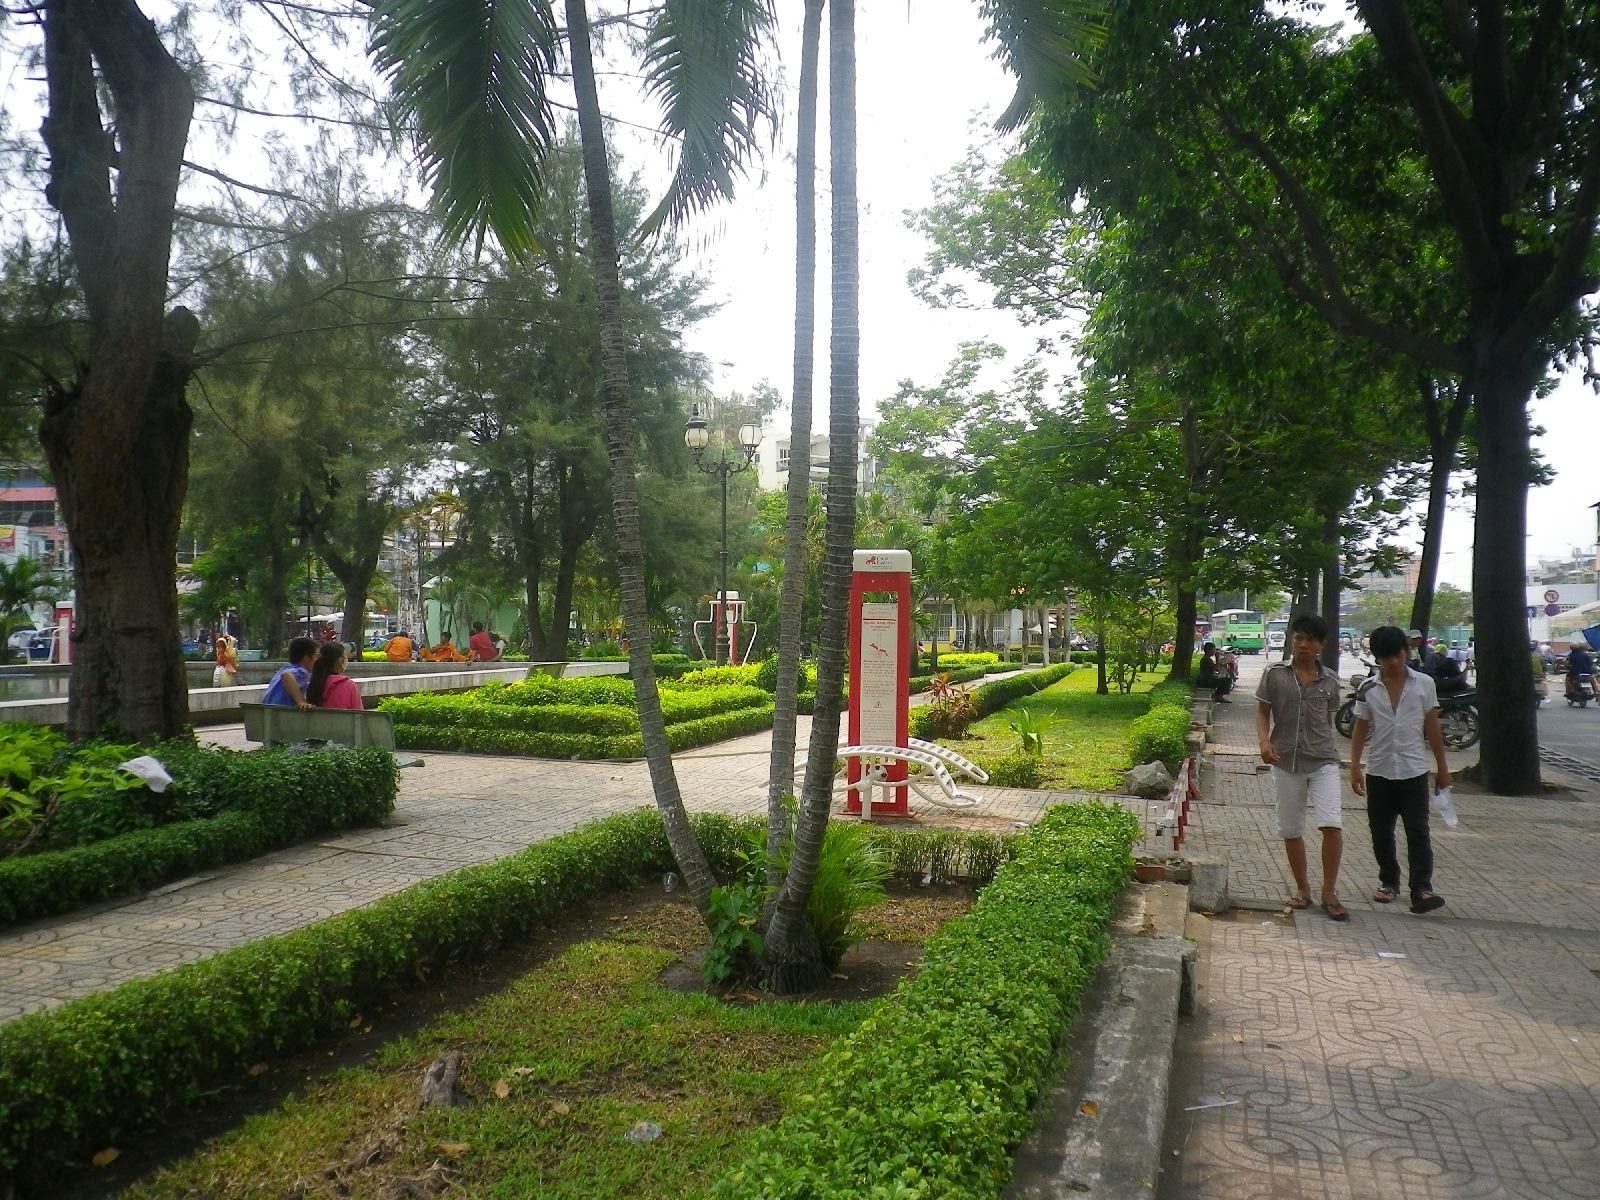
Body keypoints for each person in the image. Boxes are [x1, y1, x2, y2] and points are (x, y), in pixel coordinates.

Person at [1348, 625, 1450, 916]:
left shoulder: (1424, 684)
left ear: (1406, 652)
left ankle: (1422, 888)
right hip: (1379, 769)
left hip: (1413, 769)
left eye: (1397, 655)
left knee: (1418, 831)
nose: (1393, 662)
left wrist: (1442, 769)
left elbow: (1432, 727)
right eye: (1386, 657)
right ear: (1377, 658)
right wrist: (1354, 766)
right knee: (1381, 831)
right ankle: (1389, 882)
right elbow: (1360, 729)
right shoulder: (1368, 688)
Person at [1256, 614, 1349, 920]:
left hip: (1323, 759)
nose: (1303, 645)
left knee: (1331, 823)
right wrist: (1264, 742)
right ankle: (1302, 888)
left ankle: (1329, 892)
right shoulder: (1274, 674)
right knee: (1291, 827)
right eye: (1299, 638)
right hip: (1285, 760)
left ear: (1321, 644)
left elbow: (1328, 719)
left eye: (1310, 640)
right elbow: (1263, 711)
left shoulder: (1330, 680)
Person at [261, 637, 317, 711]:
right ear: (306, 658)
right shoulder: (302, 671)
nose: (316, 659)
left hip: (267, 710)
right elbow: (286, 675)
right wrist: (301, 701)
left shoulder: (285, 667)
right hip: (281, 712)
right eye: (315, 656)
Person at [306, 641, 363, 710]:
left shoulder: (313, 683)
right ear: (340, 660)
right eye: (345, 657)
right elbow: (359, 713)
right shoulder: (349, 686)